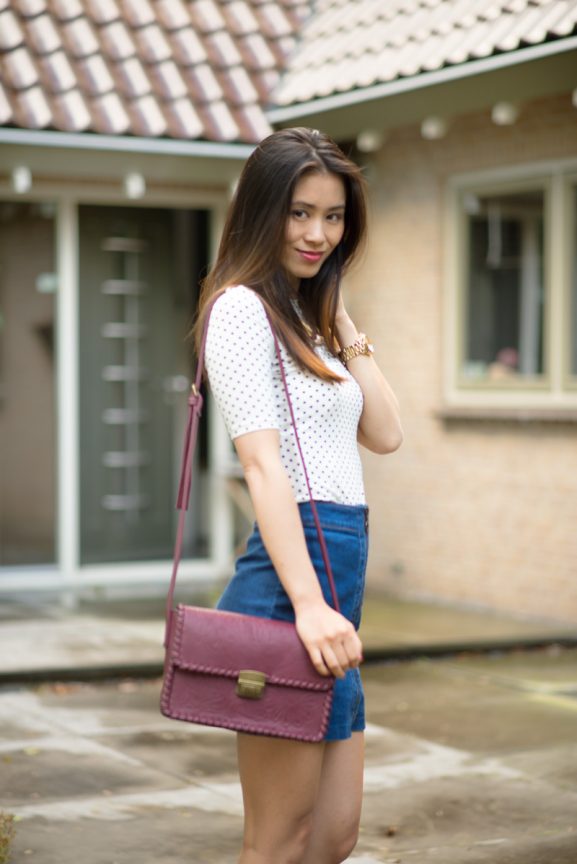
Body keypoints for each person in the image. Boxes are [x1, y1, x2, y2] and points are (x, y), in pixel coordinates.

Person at [195, 127, 402, 864]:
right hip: (295, 590)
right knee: (279, 842)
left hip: (334, 584)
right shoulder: (240, 310)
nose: (318, 234)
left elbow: (385, 433)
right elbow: (260, 466)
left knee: (333, 838)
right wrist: (310, 603)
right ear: (262, 213)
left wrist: (342, 322)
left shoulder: (309, 322)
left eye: (334, 216)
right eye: (299, 213)